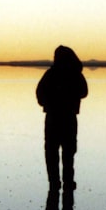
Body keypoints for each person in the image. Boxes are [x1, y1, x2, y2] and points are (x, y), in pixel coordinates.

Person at [36, 45, 87, 191]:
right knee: (64, 151)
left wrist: (49, 102)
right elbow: (83, 92)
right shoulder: (72, 74)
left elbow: (84, 92)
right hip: (63, 117)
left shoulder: (53, 74)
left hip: (58, 117)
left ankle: (59, 181)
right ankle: (61, 181)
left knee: (60, 151)